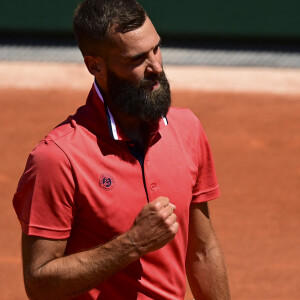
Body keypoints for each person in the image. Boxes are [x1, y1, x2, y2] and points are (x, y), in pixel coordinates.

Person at [13, 0, 230, 299]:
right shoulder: (57, 158)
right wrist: (132, 244)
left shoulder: (187, 129)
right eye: (136, 59)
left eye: (156, 48)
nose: (155, 66)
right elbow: (38, 282)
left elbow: (203, 252)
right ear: (96, 66)